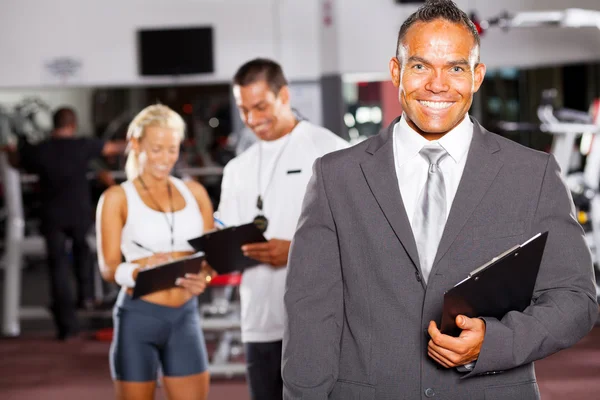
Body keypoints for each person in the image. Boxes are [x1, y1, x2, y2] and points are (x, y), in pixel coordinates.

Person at [282, 1, 599, 399]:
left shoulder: (532, 174)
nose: (437, 84)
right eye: (420, 66)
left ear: (477, 76)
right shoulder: (335, 177)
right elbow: (311, 317)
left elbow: (576, 299)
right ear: (396, 71)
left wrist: (493, 341)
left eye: (455, 67)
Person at [215, 58, 349, 400]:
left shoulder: (329, 150)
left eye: (260, 106)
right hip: (259, 320)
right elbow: (225, 237)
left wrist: (295, 250)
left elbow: (359, 236)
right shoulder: (236, 169)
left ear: (284, 95)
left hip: (319, 322)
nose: (252, 119)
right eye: (244, 109)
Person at [96, 104, 214, 400]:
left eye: (172, 149)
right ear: (136, 144)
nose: (165, 159)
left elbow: (210, 257)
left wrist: (206, 278)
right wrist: (140, 270)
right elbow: (108, 268)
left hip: (185, 317)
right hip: (139, 316)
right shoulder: (116, 197)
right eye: (157, 149)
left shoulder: (195, 192)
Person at [10, 107, 124, 340]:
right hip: (78, 214)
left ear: (54, 124)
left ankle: (67, 326)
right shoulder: (82, 145)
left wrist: (8, 150)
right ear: (73, 125)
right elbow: (113, 148)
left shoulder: (40, 150)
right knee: (83, 252)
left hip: (52, 215)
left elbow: (15, 160)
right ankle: (86, 297)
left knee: (58, 268)